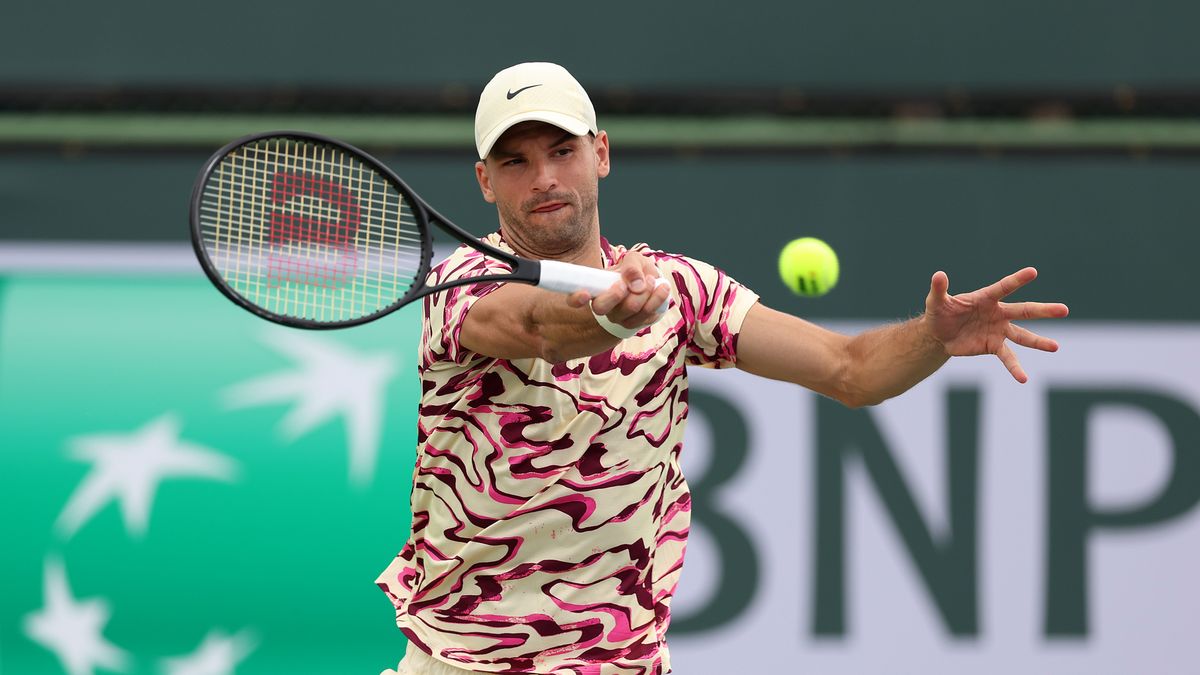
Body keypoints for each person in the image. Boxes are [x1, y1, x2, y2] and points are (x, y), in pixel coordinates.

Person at [377, 62, 1068, 675]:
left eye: (562, 150)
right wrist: (613, 316)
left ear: (602, 153)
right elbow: (537, 327)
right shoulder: (462, 283)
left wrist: (932, 337)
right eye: (516, 161)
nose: (545, 177)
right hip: (463, 662)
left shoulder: (682, 291)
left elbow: (849, 368)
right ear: (485, 181)